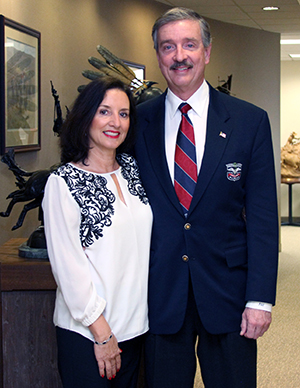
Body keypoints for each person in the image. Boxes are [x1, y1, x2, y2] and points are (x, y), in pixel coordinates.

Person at [135, 7, 278, 388]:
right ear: (158, 55)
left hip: (229, 295)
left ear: (207, 52)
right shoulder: (136, 123)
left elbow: (264, 217)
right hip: (160, 295)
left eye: (189, 45)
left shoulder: (249, 121)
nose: (179, 55)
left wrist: (260, 299)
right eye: (168, 47)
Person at [42, 77, 153, 388]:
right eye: (104, 112)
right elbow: (68, 268)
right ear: (86, 116)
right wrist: (102, 333)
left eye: (124, 113)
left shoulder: (134, 170)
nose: (115, 122)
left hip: (133, 328)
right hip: (89, 333)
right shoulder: (63, 182)